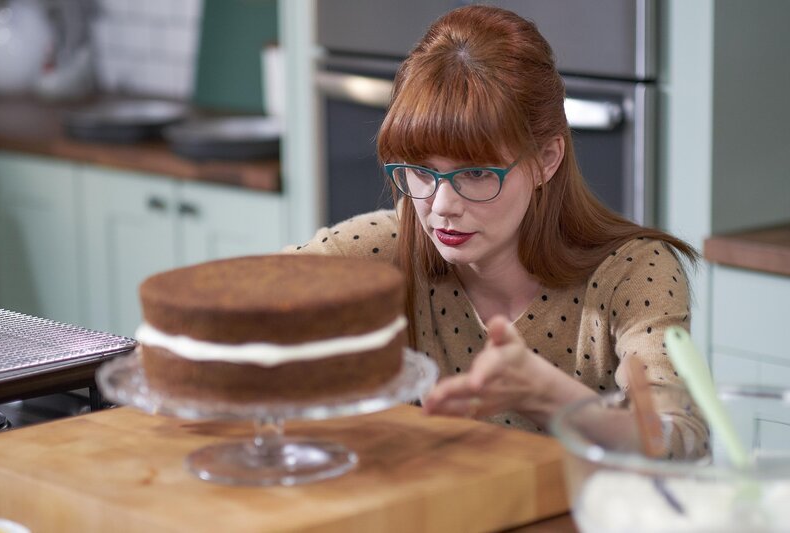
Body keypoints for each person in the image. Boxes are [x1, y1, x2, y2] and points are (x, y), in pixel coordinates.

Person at [286, 5, 706, 455]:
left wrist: (550, 398)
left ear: (547, 159)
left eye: (477, 174)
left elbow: (679, 441)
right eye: (421, 172)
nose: (441, 208)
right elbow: (239, 298)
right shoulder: (388, 246)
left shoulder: (634, 272)